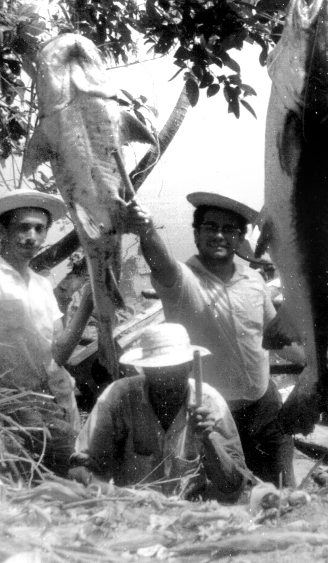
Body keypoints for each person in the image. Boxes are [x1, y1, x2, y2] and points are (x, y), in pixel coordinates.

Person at [126, 191, 295, 486]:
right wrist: (146, 231)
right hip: (213, 416)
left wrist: (314, 362)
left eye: (229, 230)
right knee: (227, 494)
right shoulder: (182, 280)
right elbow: (160, 262)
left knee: (283, 488)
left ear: (240, 237)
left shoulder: (254, 279)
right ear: (196, 233)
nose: (219, 235)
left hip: (265, 405)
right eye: (210, 227)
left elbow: (273, 336)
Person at [0, 188, 80, 475]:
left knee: (75, 468)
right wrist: (9, 406)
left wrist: (88, 306)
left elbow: (58, 349)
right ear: (2, 229)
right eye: (23, 227)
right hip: (1, 402)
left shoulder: (42, 285)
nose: (32, 236)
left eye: (40, 229)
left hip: (46, 398)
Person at [70, 323, 250, 502]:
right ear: (145, 370)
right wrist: (123, 496)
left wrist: (209, 440)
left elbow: (234, 486)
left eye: (176, 373)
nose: (169, 384)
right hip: (130, 509)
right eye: (160, 374)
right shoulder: (118, 397)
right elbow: (78, 470)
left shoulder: (209, 401)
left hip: (190, 511)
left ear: (189, 367)